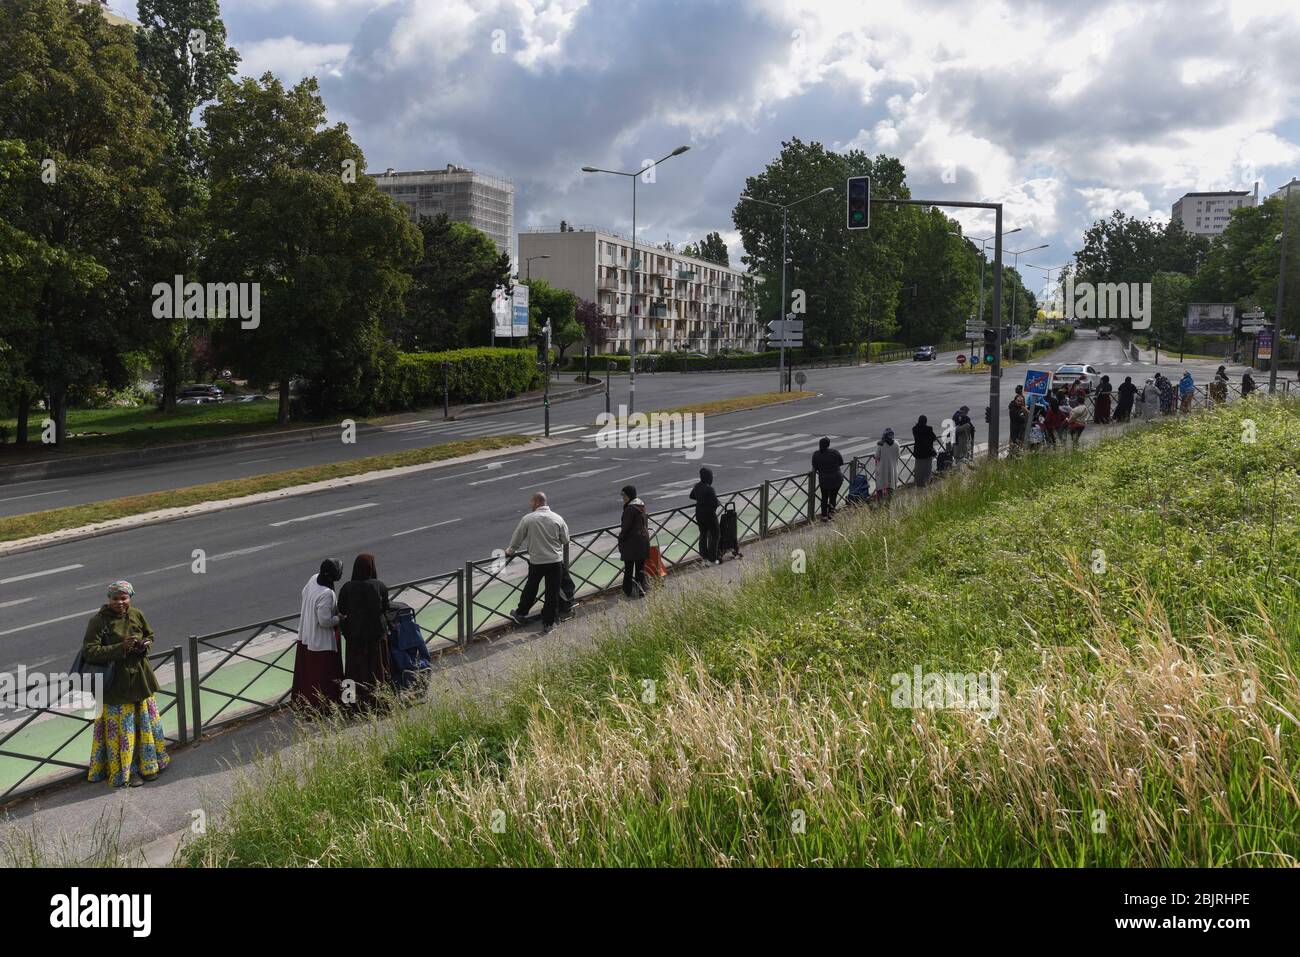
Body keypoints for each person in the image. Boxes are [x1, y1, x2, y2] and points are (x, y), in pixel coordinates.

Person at [83, 581, 171, 788]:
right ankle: (127, 773)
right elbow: (90, 651)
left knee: (144, 727)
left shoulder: (137, 614)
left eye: (124, 598)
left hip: (140, 681)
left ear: (130, 598)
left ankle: (149, 765)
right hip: (116, 686)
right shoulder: (98, 621)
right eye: (115, 598)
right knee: (123, 734)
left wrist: (143, 646)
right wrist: (120, 648)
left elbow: (150, 635)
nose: (120, 602)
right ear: (109, 599)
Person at [506, 492, 572, 633]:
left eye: (531, 502)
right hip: (554, 561)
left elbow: (517, 538)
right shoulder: (558, 518)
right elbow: (565, 539)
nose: (530, 505)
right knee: (552, 592)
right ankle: (548, 623)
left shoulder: (528, 519)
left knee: (531, 588)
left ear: (536, 502)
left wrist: (510, 551)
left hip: (537, 561)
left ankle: (521, 614)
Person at [338, 554, 393, 709]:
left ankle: (350, 705)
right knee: (378, 670)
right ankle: (380, 703)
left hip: (354, 638)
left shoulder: (347, 588)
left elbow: (341, 610)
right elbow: (386, 609)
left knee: (353, 670)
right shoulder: (379, 586)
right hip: (376, 637)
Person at [291, 559, 345, 710]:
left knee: (308, 675)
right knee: (323, 676)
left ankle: (304, 703)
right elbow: (325, 621)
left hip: (306, 635)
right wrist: (339, 618)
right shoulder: (327, 593)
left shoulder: (314, 578)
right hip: (320, 642)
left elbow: (304, 593)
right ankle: (324, 706)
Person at [617, 485, 650, 598]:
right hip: (643, 541)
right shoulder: (641, 505)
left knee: (629, 568)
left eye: (624, 495)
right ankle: (641, 590)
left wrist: (620, 538)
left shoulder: (630, 509)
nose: (623, 498)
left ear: (629, 495)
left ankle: (627, 591)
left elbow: (625, 527)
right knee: (640, 568)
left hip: (632, 543)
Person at [690, 467, 721, 564]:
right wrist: (717, 503)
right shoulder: (709, 488)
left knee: (703, 534)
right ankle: (713, 557)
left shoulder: (697, 486)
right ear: (708, 478)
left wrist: (700, 499)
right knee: (715, 534)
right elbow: (715, 503)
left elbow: (691, 496)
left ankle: (704, 556)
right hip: (709, 514)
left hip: (699, 513)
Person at [811, 437, 845, 519]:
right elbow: (841, 462)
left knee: (824, 497)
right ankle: (831, 513)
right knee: (833, 496)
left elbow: (814, 467)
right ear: (828, 445)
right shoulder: (834, 452)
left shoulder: (816, 454)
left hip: (824, 479)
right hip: (836, 478)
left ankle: (824, 515)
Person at [911, 415, 939, 486]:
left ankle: (918, 482)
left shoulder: (915, 429)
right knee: (927, 468)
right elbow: (934, 438)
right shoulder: (929, 429)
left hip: (918, 452)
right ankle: (926, 482)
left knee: (918, 468)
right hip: (927, 452)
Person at [873, 428, 900, 501]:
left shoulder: (881, 444)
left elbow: (877, 456)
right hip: (893, 469)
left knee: (880, 486)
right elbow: (898, 456)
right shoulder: (896, 444)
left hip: (882, 469)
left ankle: (880, 503)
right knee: (891, 486)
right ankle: (889, 502)